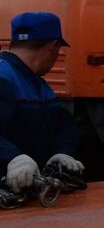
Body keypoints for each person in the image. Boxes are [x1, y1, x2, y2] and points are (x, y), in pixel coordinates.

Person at [0, 12, 83, 196]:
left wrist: (61, 153)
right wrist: (14, 158)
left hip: (30, 190)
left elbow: (64, 124)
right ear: (53, 46)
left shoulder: (37, 83)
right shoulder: (4, 79)